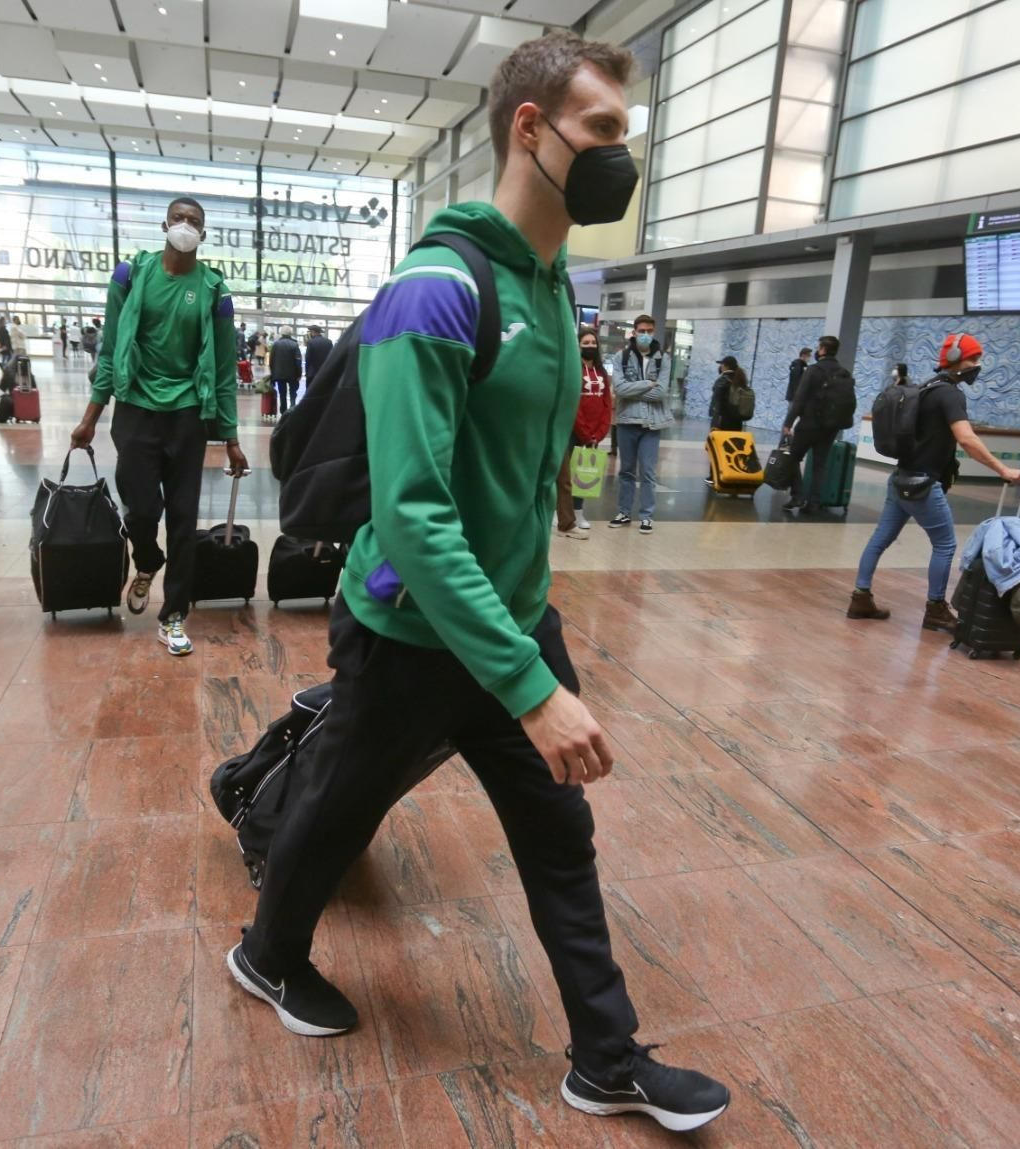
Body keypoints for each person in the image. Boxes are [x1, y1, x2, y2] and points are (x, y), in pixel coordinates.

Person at [229, 31, 730, 1134]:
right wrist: (532, 686)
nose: (618, 157)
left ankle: (605, 1056)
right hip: (409, 628)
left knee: (560, 835)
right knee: (335, 808)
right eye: (601, 130)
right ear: (530, 128)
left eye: (622, 136)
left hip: (505, 620)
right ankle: (266, 956)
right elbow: (411, 513)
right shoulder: (435, 288)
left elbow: (514, 470)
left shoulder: (552, 290)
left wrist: (525, 626)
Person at [70, 196, 247, 657]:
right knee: (142, 507)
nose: (186, 225)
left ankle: (173, 615)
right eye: (180, 218)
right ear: (164, 224)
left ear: (203, 235)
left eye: (195, 221)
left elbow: (224, 369)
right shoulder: (131, 276)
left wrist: (230, 438)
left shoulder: (214, 291)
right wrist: (91, 416)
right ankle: (147, 559)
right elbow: (109, 351)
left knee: (184, 519)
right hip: (135, 409)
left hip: (188, 414)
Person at [849, 332, 1020, 631]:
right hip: (923, 485)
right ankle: (935, 608)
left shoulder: (926, 389)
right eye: (973, 358)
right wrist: (1003, 469)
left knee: (880, 539)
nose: (977, 365)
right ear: (956, 360)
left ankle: (860, 597)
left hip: (901, 478)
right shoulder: (950, 394)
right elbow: (967, 439)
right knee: (945, 544)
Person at [609, 314, 670, 534]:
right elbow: (619, 389)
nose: (646, 335)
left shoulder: (663, 358)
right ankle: (624, 512)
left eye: (649, 331)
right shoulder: (621, 357)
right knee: (626, 470)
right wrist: (647, 384)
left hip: (652, 424)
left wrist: (634, 389)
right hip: (627, 421)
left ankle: (646, 516)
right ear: (634, 332)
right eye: (641, 331)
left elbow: (661, 393)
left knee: (648, 472)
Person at [780, 333, 852, 515]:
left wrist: (788, 422)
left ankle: (797, 495)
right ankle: (813, 502)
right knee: (820, 464)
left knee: (793, 458)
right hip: (830, 427)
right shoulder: (843, 372)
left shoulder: (813, 370)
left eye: (819, 348)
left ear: (823, 350)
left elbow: (800, 398)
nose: (817, 351)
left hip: (809, 424)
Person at [556, 326, 614, 539]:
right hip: (573, 430)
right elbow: (574, 403)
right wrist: (584, 430)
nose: (590, 347)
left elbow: (607, 403)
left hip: (593, 433)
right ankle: (563, 514)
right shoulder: (574, 369)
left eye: (593, 343)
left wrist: (599, 432)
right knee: (565, 475)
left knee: (585, 474)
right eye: (585, 343)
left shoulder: (602, 373)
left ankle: (578, 513)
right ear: (578, 346)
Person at [708, 355, 751, 433]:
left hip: (723, 421)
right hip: (737, 421)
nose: (720, 366)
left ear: (726, 366)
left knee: (720, 443)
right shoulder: (740, 379)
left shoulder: (722, 380)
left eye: (722, 364)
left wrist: (714, 424)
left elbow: (716, 403)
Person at [269, 327, 302, 415]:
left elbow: (271, 360)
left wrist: (272, 373)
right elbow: (298, 361)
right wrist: (299, 374)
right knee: (293, 392)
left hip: (279, 373)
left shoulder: (276, 344)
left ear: (281, 333)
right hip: (293, 374)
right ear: (290, 333)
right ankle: (292, 408)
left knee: (282, 393)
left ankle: (283, 411)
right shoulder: (295, 344)